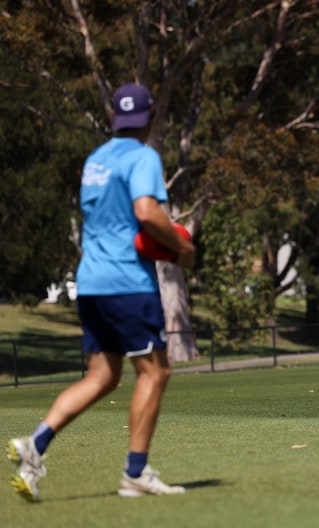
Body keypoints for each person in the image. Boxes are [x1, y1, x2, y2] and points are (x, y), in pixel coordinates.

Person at [7, 83, 196, 502]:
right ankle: (135, 474)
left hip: (91, 283)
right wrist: (182, 247)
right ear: (148, 119)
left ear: (115, 116)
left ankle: (34, 445)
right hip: (127, 282)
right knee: (156, 371)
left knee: (103, 375)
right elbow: (146, 213)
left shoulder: (95, 160)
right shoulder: (143, 156)